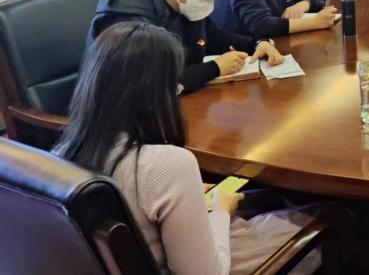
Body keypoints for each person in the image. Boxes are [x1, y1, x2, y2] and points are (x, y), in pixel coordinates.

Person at [54, 22, 329, 275]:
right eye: (173, 88)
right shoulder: (168, 164)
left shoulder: (58, 157)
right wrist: (220, 211)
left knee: (265, 200)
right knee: (330, 214)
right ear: (152, 96)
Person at [88, 0, 283, 93]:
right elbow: (153, 84)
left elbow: (216, 37)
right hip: (120, 117)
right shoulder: (128, 19)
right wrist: (215, 68)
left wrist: (256, 44)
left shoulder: (183, 3)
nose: (210, 1)